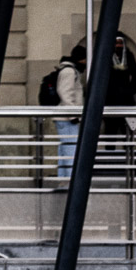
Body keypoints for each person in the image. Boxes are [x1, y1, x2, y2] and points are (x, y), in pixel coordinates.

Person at [52, 44, 86, 179]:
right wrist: (73, 115)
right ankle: (71, 179)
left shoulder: (69, 70)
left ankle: (64, 179)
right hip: (67, 118)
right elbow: (65, 93)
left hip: (64, 117)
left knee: (65, 149)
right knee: (71, 149)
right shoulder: (70, 72)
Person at [105, 35, 136, 138]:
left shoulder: (128, 56)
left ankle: (128, 148)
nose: (118, 46)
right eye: (116, 43)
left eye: (120, 43)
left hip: (126, 99)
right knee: (110, 132)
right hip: (110, 100)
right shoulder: (107, 56)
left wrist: (131, 89)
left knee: (127, 132)